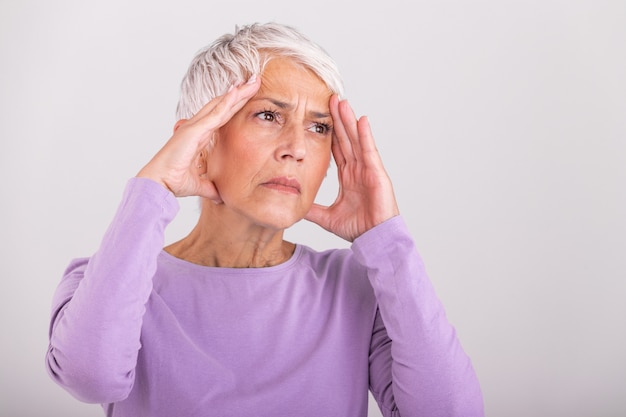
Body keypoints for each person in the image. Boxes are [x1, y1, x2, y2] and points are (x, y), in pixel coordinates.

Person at [45, 22, 484, 417]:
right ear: (200, 141)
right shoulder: (104, 282)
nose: (297, 148)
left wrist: (386, 239)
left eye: (318, 127)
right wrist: (152, 191)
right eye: (269, 115)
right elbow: (90, 377)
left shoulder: (357, 288)